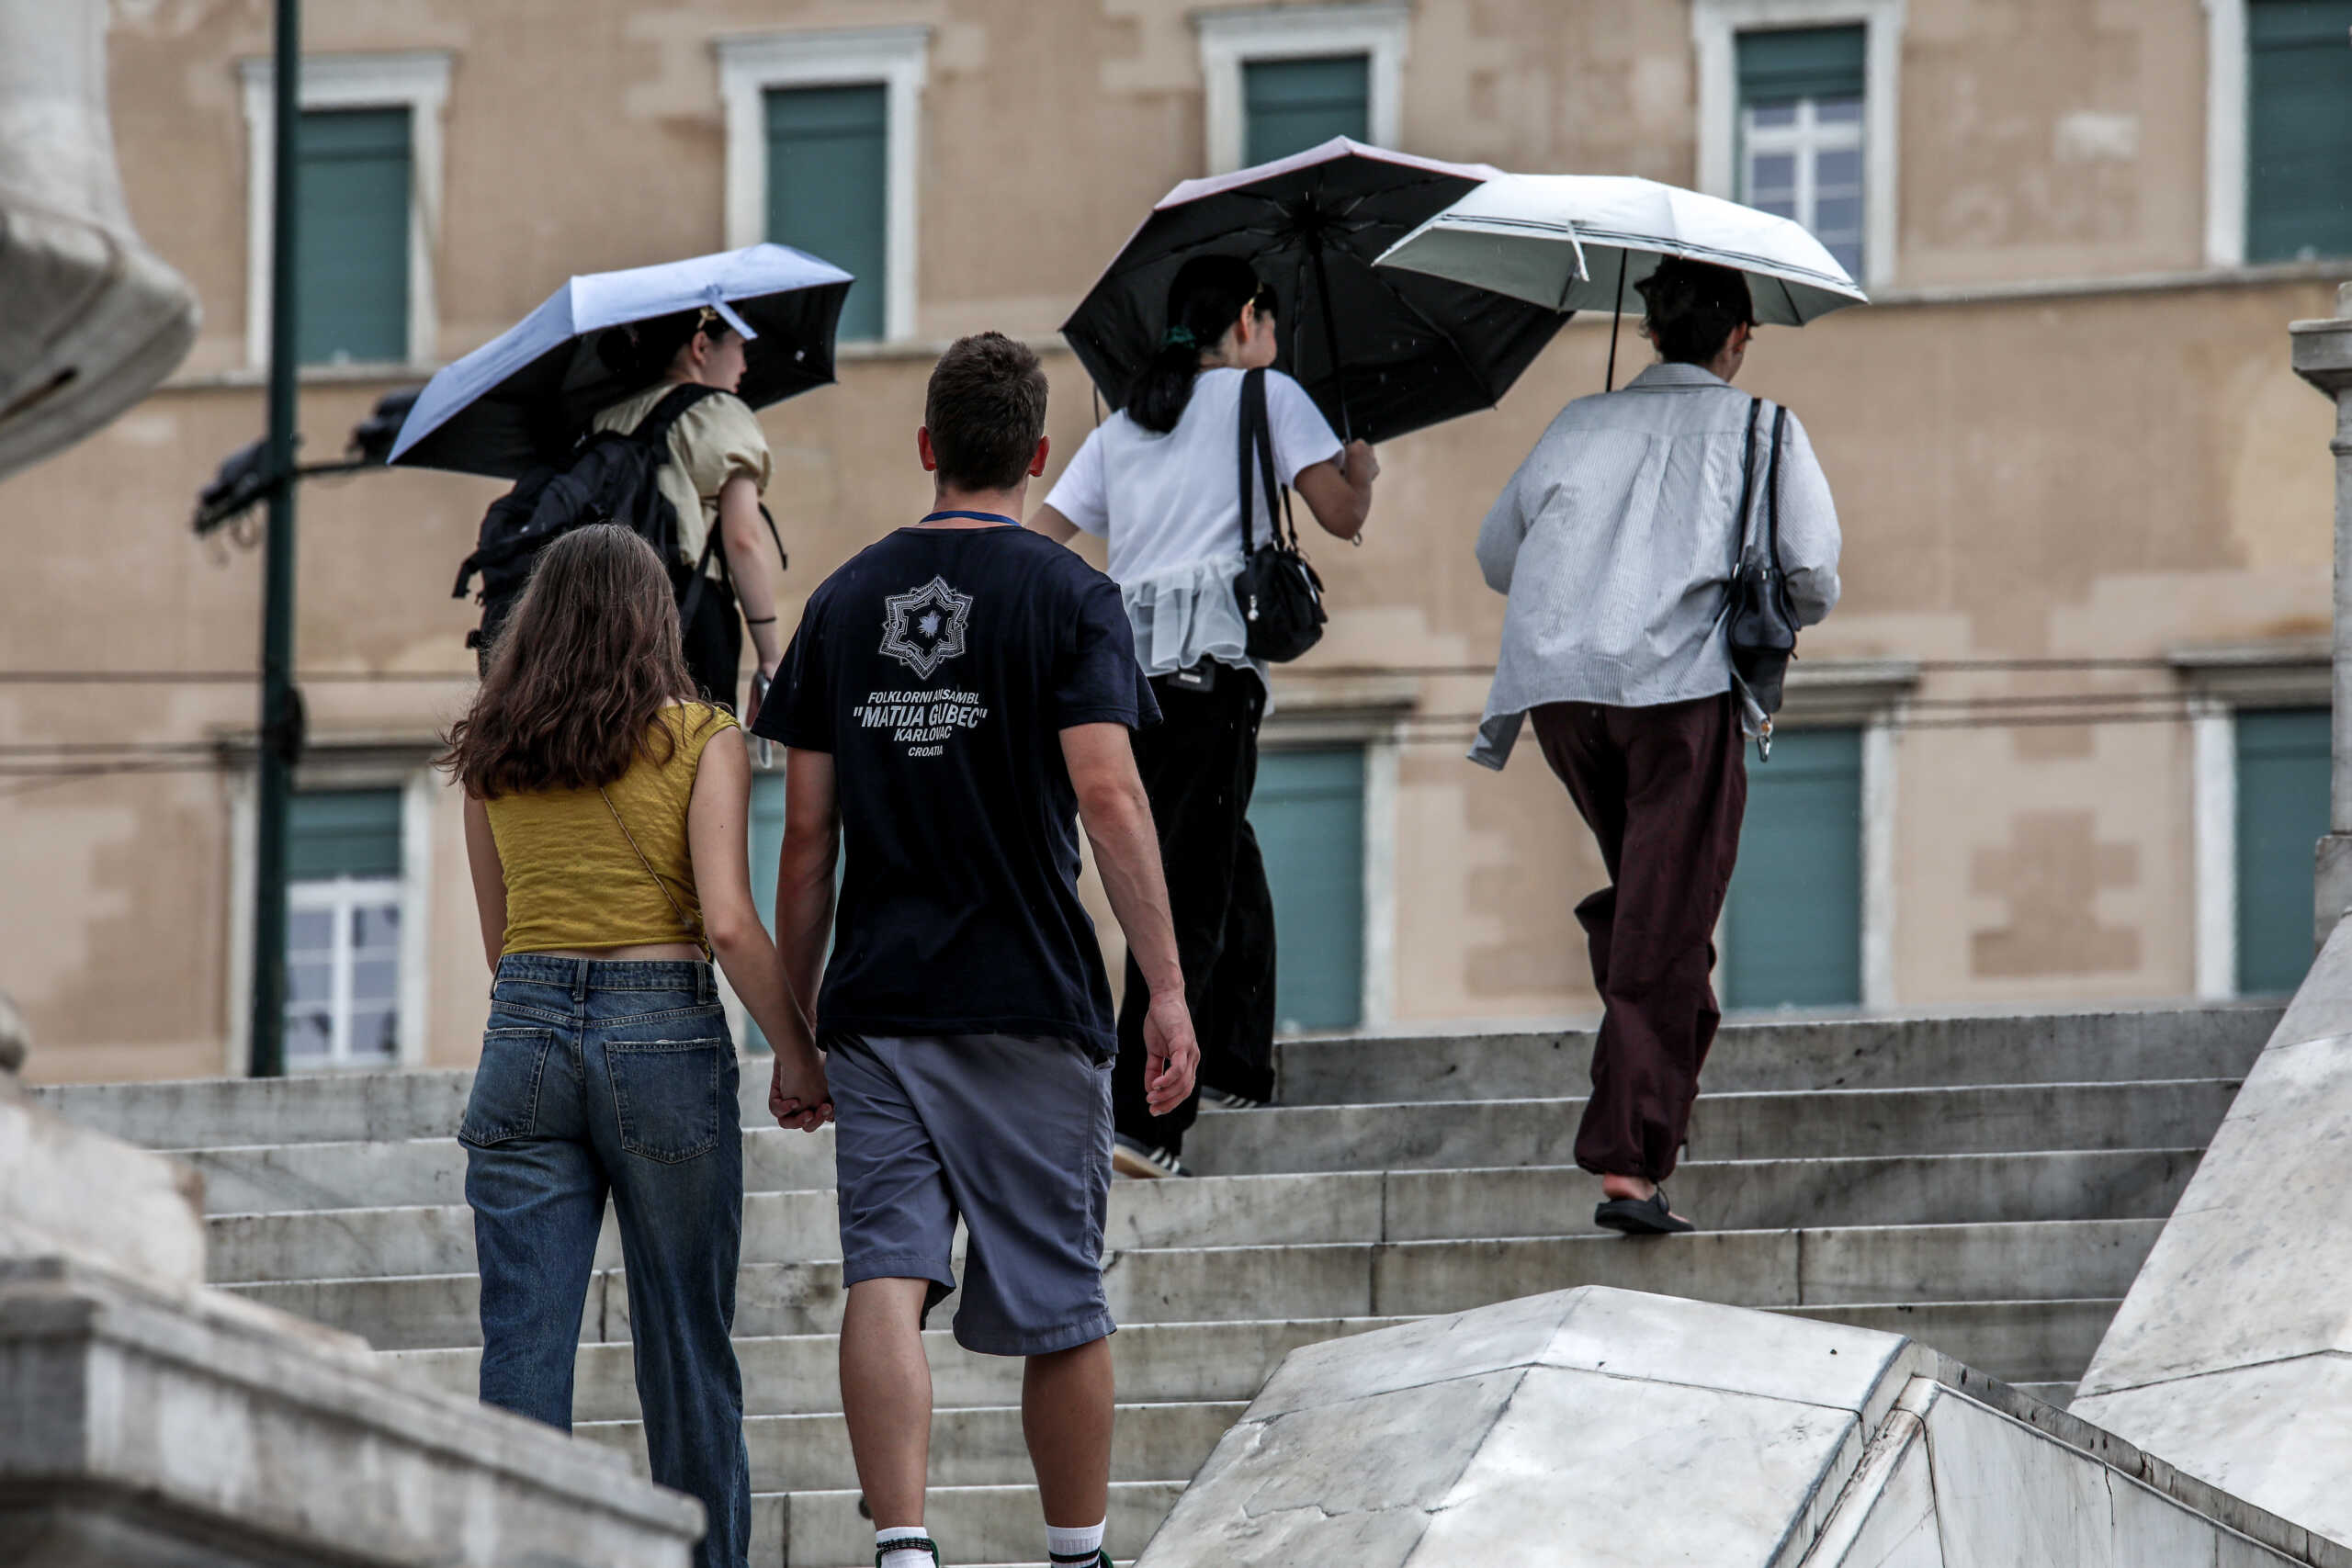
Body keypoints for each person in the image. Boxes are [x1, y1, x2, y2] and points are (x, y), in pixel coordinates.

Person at [753, 333, 1198, 1568]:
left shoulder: (841, 602)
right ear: (1041, 455)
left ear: (927, 449)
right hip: (1032, 997)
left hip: (881, 1004)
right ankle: (1076, 1548)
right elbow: (1108, 798)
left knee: (885, 1272)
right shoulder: (1071, 598)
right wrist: (1165, 989)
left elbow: (803, 838)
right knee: (1061, 1293)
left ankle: (903, 1541)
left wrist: (796, 1030)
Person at [440, 523, 833, 1568]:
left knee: (522, 1349)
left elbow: (498, 941)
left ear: (537, 626)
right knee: (686, 1348)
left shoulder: (490, 747)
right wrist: (797, 1052)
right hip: (661, 1031)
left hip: (522, 1032)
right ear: (654, 618)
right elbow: (733, 924)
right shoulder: (705, 740)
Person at [1469, 257, 1841, 1236]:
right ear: (1735, 339)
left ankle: (1662, 1028)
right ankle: (1628, 1160)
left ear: (1648, 332)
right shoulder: (1764, 426)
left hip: (1562, 695)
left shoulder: (1575, 423)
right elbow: (1813, 575)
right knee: (1665, 920)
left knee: (1657, 904)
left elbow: (1495, 557)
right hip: (1676, 694)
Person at [1030, 254, 1376, 1179]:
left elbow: (1040, 544)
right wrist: (1362, 471)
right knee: (1185, 882)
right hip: (1209, 677)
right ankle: (1145, 1120)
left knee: (1224, 851)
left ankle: (1234, 1062)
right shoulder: (1265, 398)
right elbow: (1338, 516)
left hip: (1120, 680)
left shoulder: (1123, 425)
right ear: (1250, 319)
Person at [594, 307, 787, 724]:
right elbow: (743, 540)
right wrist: (771, 657)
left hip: (611, 619)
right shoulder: (718, 411)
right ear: (701, 346)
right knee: (700, 756)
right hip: (691, 617)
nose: (745, 365)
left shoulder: (608, 417)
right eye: (739, 348)